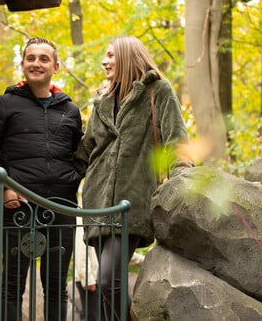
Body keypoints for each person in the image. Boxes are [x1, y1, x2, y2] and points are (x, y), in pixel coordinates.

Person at [74, 35, 191, 320]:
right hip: (97, 203)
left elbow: (177, 140)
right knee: (105, 292)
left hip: (132, 203)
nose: (104, 61)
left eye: (111, 55)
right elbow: (84, 153)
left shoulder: (158, 91)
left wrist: (183, 176)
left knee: (107, 280)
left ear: (127, 57)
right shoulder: (101, 101)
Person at [0, 37, 83, 320]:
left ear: (55, 66)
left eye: (44, 59)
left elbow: (80, 157)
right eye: (31, 58)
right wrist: (2, 188)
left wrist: (71, 182)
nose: (36, 63)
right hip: (18, 209)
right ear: (22, 64)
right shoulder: (4, 105)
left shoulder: (71, 111)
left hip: (61, 208)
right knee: (11, 286)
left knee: (57, 287)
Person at [73, 216, 104, 321]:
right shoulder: (82, 217)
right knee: (93, 317)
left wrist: (143, 259)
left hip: (99, 278)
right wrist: (87, 278)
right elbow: (80, 248)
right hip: (91, 280)